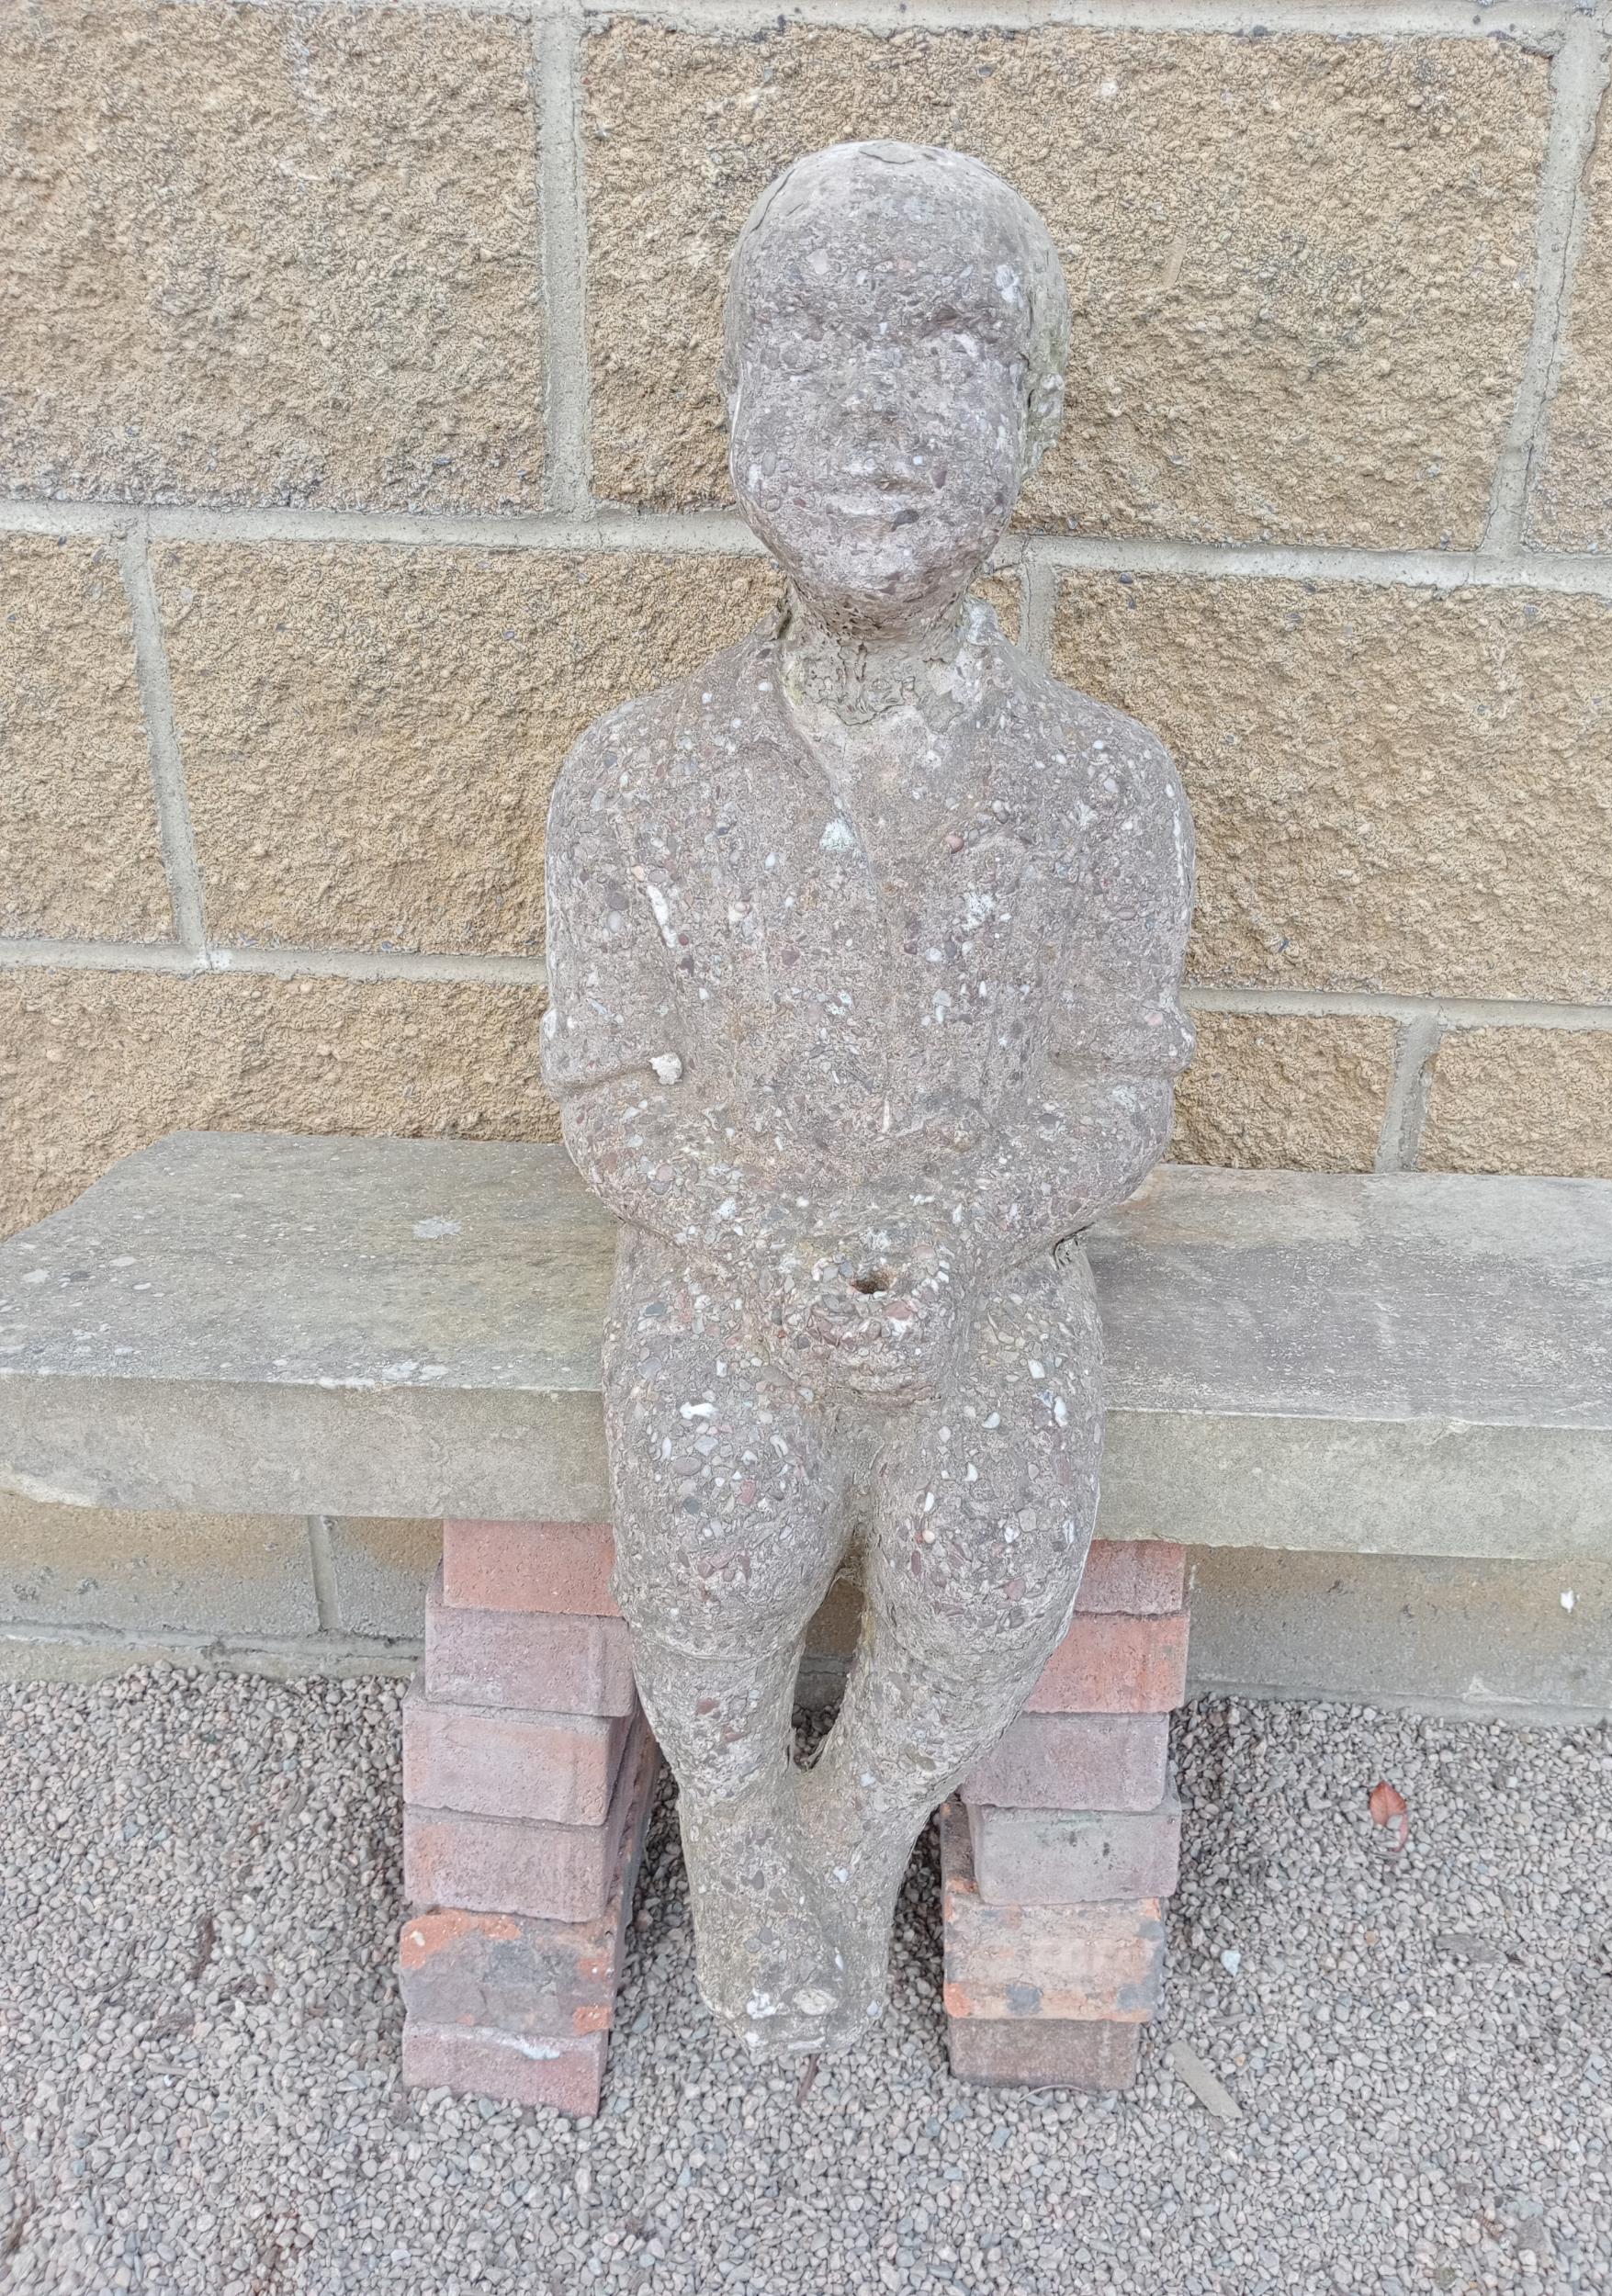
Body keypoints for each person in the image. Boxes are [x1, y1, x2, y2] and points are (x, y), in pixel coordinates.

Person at [543, 141, 1194, 2057]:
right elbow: (605, 1084)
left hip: (978, 1278)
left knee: (989, 1548)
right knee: (713, 1533)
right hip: (721, 1268)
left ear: (1038, 406)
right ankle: (738, 1816)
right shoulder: (634, 777)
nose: (872, 412)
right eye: (808, 345)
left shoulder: (1100, 788)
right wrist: (761, 1247)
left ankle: (857, 1814)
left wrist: (956, 1238)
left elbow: (1111, 1084)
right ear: (735, 402)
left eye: (945, 347)